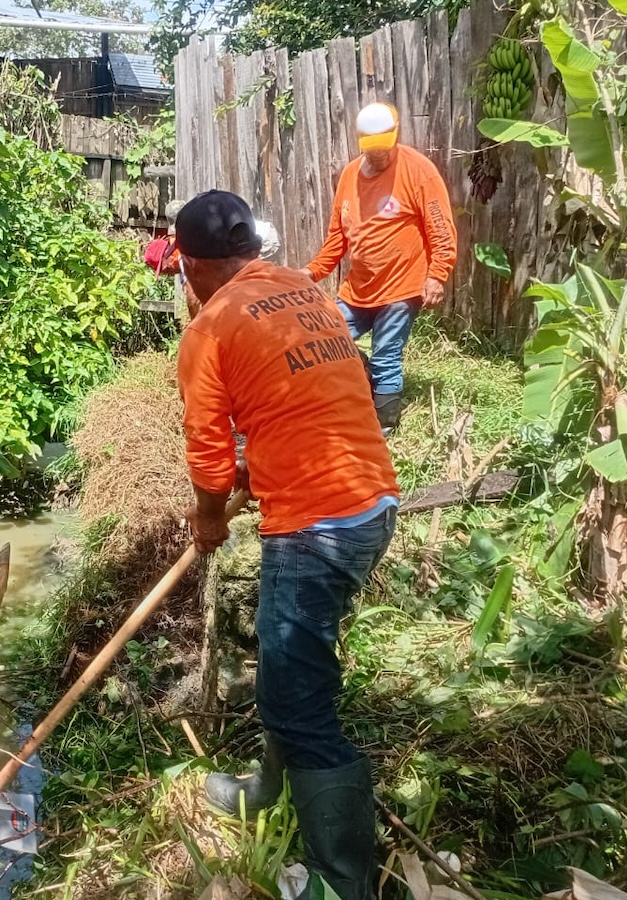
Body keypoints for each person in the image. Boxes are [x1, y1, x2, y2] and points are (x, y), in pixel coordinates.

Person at [175, 189, 399, 900]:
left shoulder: (211, 328)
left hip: (316, 529)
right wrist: (261, 464)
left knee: (299, 705)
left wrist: (210, 518)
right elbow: (311, 394)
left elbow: (208, 457)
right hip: (371, 504)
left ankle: (341, 883)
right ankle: (266, 789)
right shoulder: (304, 291)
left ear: (190, 266)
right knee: (287, 668)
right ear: (251, 248)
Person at [301, 101, 457, 436]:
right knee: (325, 339)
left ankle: (384, 426)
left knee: (386, 353)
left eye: (384, 149)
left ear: (395, 134)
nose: (379, 156)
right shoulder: (349, 176)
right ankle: (361, 386)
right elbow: (337, 237)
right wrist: (311, 272)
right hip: (358, 288)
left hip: (402, 286)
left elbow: (441, 228)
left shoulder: (419, 170)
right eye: (372, 150)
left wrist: (437, 274)